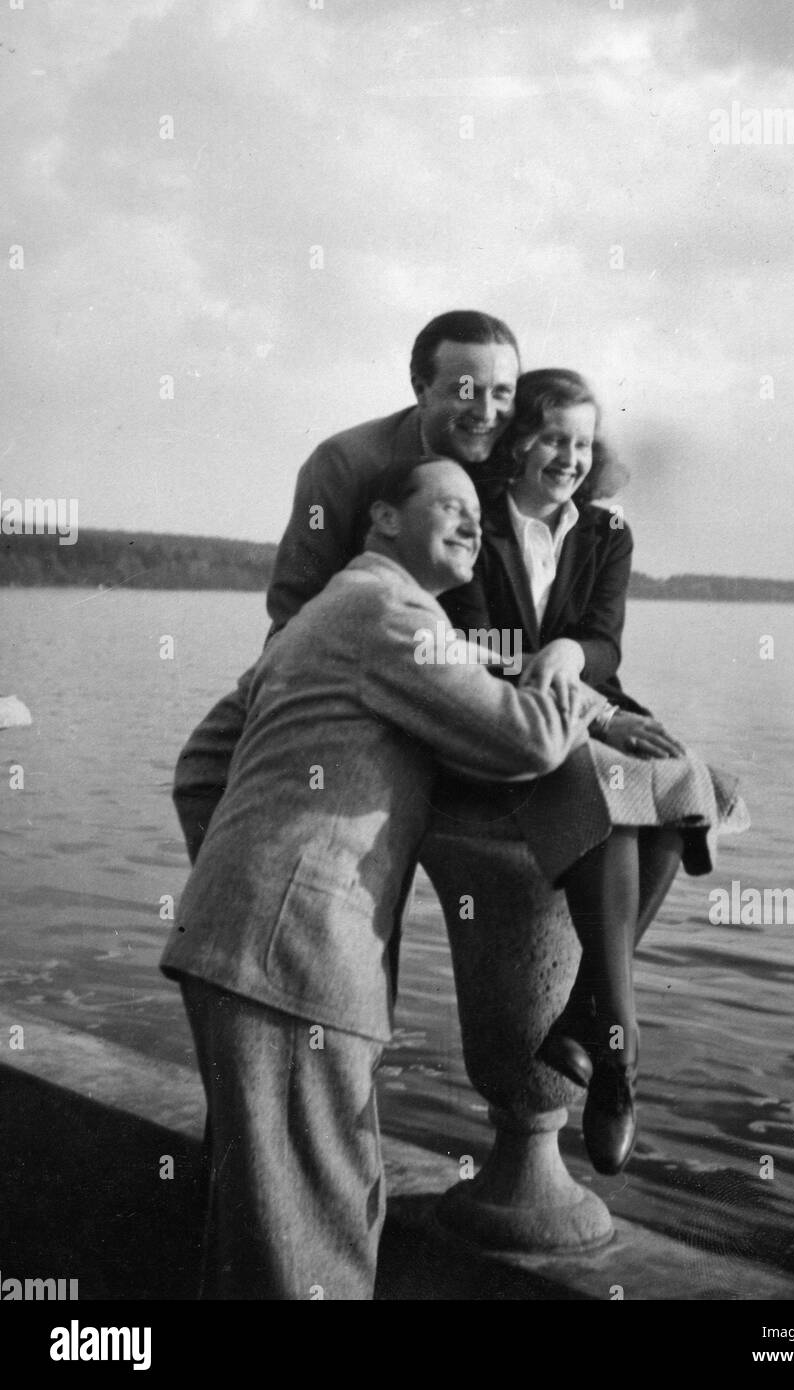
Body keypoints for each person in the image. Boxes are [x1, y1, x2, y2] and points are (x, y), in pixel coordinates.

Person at [160, 457, 609, 1300]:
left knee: (265, 1223)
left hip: (241, 951)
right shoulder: (392, 612)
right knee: (308, 1239)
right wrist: (571, 682)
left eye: (481, 513)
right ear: (384, 519)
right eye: (450, 505)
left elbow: (199, 768)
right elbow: (529, 742)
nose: (475, 525)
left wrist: (242, 889)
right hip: (295, 963)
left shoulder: (323, 613)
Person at [440, 368, 748, 1175]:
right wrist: (595, 712)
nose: (570, 458)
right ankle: (619, 1055)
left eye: (582, 443)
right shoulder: (474, 522)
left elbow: (605, 638)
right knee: (606, 792)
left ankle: (586, 1020)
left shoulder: (606, 532)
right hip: (495, 712)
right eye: (552, 440)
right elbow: (474, 644)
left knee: (679, 782)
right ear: (518, 445)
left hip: (587, 700)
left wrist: (577, 654)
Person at [172, 309, 522, 862]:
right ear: (420, 389)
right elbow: (295, 613)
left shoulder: (521, 459)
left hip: (466, 676)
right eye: (466, 391)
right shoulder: (346, 463)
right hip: (345, 676)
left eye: (503, 392)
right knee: (213, 777)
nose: (487, 412)